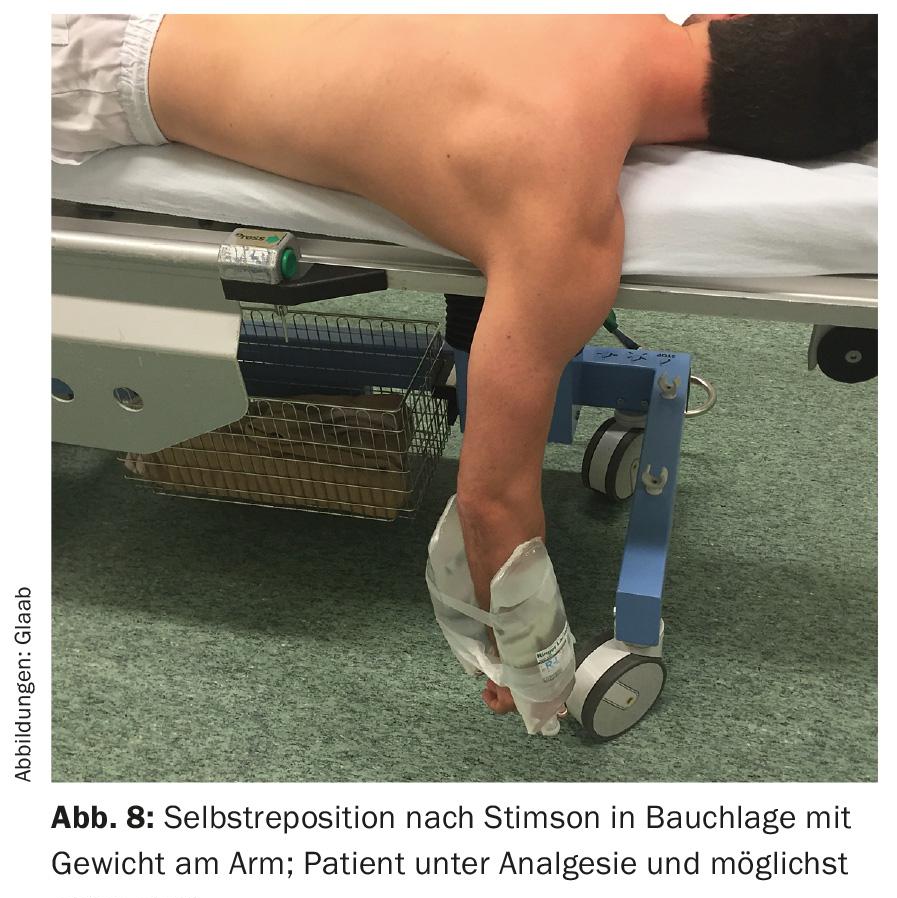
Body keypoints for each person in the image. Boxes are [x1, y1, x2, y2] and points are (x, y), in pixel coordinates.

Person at [53, 14, 877, 717]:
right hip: (79, 78)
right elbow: (491, 503)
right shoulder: (563, 212)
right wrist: (534, 671)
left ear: (723, 20)